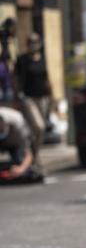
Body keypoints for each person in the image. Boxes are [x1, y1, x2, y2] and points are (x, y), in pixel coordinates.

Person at [14, 33, 49, 162]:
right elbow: (16, 80)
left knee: (40, 130)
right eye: (30, 42)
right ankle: (32, 157)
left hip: (43, 98)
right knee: (38, 126)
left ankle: (33, 155)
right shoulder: (22, 60)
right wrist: (16, 96)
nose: (33, 44)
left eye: (35, 41)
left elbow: (46, 78)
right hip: (28, 98)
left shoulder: (42, 58)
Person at [0, 107, 42, 184]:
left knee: (19, 161)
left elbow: (28, 153)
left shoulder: (19, 126)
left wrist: (21, 169)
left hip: (15, 140)